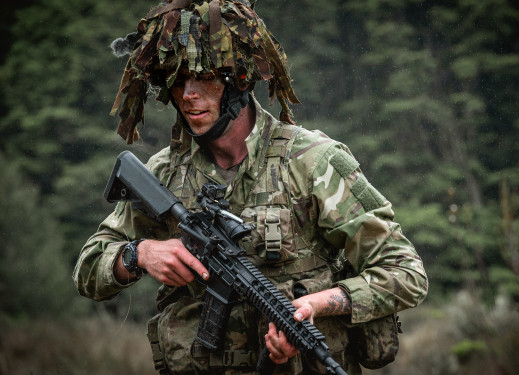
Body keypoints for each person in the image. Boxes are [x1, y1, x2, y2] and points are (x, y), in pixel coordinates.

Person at [73, 1, 428, 374]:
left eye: (205, 78)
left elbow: (405, 272)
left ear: (239, 80)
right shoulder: (163, 173)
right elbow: (88, 269)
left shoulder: (312, 161)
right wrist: (139, 254)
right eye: (178, 80)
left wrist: (317, 305)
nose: (189, 94)